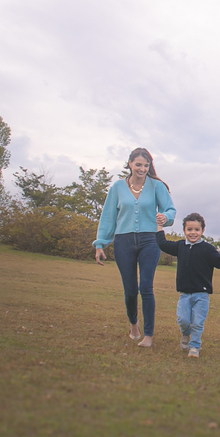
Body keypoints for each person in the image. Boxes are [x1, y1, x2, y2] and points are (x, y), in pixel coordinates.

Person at [94, 148, 176, 347]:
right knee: (130, 290)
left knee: (146, 287)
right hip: (124, 241)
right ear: (130, 164)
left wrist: (165, 217)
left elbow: (170, 209)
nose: (142, 168)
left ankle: (148, 335)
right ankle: (133, 324)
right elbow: (108, 217)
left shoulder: (156, 186)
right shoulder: (117, 188)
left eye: (146, 165)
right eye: (138, 164)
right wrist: (100, 243)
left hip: (150, 240)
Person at [155, 213, 220, 358]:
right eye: (189, 229)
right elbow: (163, 244)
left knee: (197, 323)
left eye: (197, 230)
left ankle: (194, 348)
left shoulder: (208, 249)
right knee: (183, 320)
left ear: (202, 231)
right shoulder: (180, 246)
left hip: (202, 295)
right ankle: (185, 334)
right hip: (184, 294)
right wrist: (159, 226)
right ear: (184, 230)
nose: (193, 233)